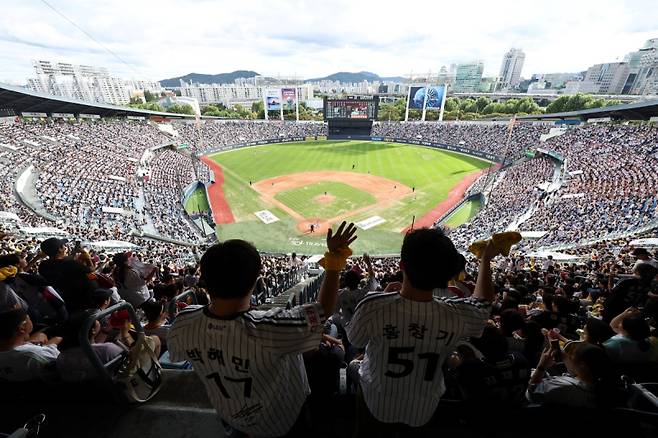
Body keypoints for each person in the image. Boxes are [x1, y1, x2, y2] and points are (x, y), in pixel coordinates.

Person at [168, 222, 357, 438]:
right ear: (254, 282)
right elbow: (323, 309)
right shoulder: (271, 327)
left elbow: (178, 352)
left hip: (230, 415)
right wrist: (334, 259)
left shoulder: (183, 322)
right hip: (283, 421)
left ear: (205, 281)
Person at [345, 228, 500, 435]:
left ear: (402, 267)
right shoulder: (458, 314)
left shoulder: (372, 306)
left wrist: (383, 296)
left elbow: (355, 338)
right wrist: (485, 260)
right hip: (424, 407)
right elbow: (482, 304)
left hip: (376, 401)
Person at [526, 341, 620, 408]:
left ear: (582, 365)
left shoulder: (563, 388)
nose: (567, 359)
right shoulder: (600, 384)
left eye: (570, 357)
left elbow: (531, 394)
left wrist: (541, 366)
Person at [36, 237, 96, 313]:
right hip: (78, 300)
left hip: (60, 298)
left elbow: (61, 262)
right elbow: (91, 269)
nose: (65, 247)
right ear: (60, 249)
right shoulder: (72, 264)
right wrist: (87, 256)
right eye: (63, 246)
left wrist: (73, 253)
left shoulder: (43, 265)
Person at [0, 308, 61, 381]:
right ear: (22, 328)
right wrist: (56, 340)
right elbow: (61, 363)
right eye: (28, 318)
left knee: (41, 334)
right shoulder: (36, 355)